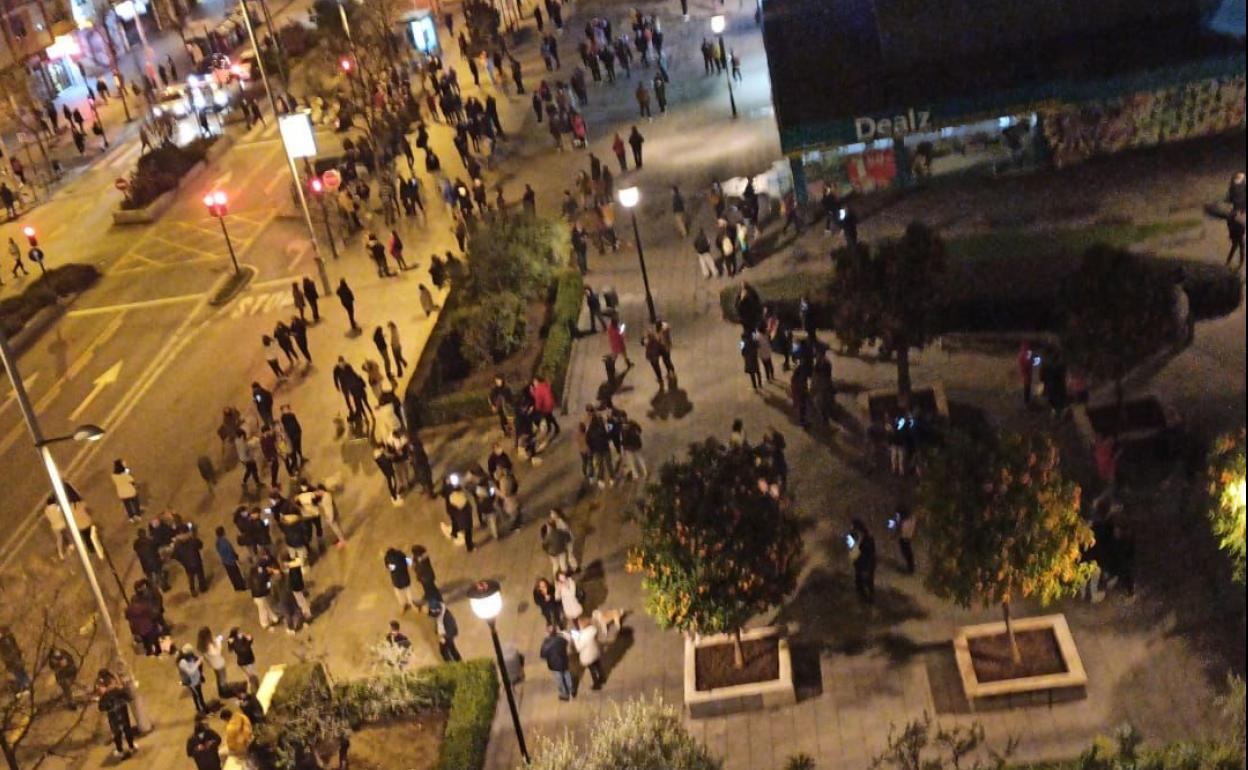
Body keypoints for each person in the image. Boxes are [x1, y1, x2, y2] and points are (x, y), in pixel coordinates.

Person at [97, 671, 137, 757]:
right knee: (127, 729)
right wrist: (123, 688)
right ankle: (131, 746)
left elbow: (101, 708)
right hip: (123, 711)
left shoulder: (105, 695)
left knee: (117, 733)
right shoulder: (118, 690)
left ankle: (120, 751)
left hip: (112, 716)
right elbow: (130, 697)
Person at [172, 524, 209, 597]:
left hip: (187, 564)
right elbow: (200, 545)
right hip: (196, 561)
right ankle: (203, 588)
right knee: (200, 575)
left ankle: (193, 591)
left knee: (191, 578)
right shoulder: (192, 540)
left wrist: (182, 561)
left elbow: (175, 556)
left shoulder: (177, 545)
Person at [541, 625, 575, 700]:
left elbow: (543, 655)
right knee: (567, 675)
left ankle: (564, 693)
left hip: (554, 664)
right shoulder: (562, 639)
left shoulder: (546, 644)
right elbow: (567, 645)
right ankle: (571, 690)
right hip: (564, 660)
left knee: (559, 678)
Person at [850, 519, 876, 604]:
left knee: (866, 581)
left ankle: (868, 598)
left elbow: (868, 555)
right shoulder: (861, 538)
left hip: (865, 564)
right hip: (862, 564)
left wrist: (866, 568)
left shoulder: (867, 541)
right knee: (862, 581)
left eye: (853, 528)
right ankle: (866, 596)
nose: (851, 529)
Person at [197, 626, 229, 696]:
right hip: (219, 664)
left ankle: (221, 690)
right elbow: (217, 652)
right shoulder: (209, 647)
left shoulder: (202, 645)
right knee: (222, 678)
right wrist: (218, 642)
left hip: (213, 664)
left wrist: (215, 640)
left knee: (218, 677)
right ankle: (224, 692)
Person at [177, 644, 209, 714]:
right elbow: (190, 671)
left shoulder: (189, 657)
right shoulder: (182, 662)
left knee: (197, 694)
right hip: (191, 682)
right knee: (198, 695)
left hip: (196, 679)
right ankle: (203, 710)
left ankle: (199, 707)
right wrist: (198, 662)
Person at [227, 628, 259, 692]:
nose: (241, 633)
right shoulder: (237, 643)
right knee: (253, 675)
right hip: (247, 661)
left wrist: (249, 639)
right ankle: (253, 689)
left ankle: (252, 685)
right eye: (239, 633)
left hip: (242, 662)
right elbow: (245, 650)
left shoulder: (235, 640)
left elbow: (230, 649)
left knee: (249, 675)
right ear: (236, 635)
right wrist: (249, 640)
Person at [385, 546, 417, 611]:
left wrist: (393, 567)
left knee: (400, 594)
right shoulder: (400, 554)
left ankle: (404, 605)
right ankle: (411, 605)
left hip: (397, 579)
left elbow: (388, 566)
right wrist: (412, 564)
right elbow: (407, 560)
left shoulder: (388, 557)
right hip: (403, 577)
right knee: (408, 592)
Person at [893, 506, 917, 574]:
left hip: (904, 538)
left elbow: (900, 529)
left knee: (906, 553)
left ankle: (909, 568)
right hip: (908, 537)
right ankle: (910, 567)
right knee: (908, 553)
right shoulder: (912, 518)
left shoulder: (905, 521)